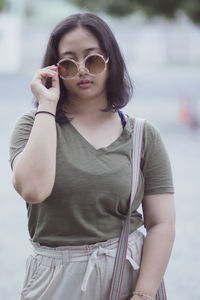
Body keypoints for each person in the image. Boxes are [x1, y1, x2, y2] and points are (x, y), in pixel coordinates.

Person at [9, 12, 175, 300]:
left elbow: (161, 222)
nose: (83, 70)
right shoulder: (33, 125)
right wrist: (47, 104)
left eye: (93, 59)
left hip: (128, 273)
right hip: (56, 280)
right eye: (69, 63)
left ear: (111, 61)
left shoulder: (143, 135)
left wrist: (144, 293)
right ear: (54, 69)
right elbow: (33, 190)